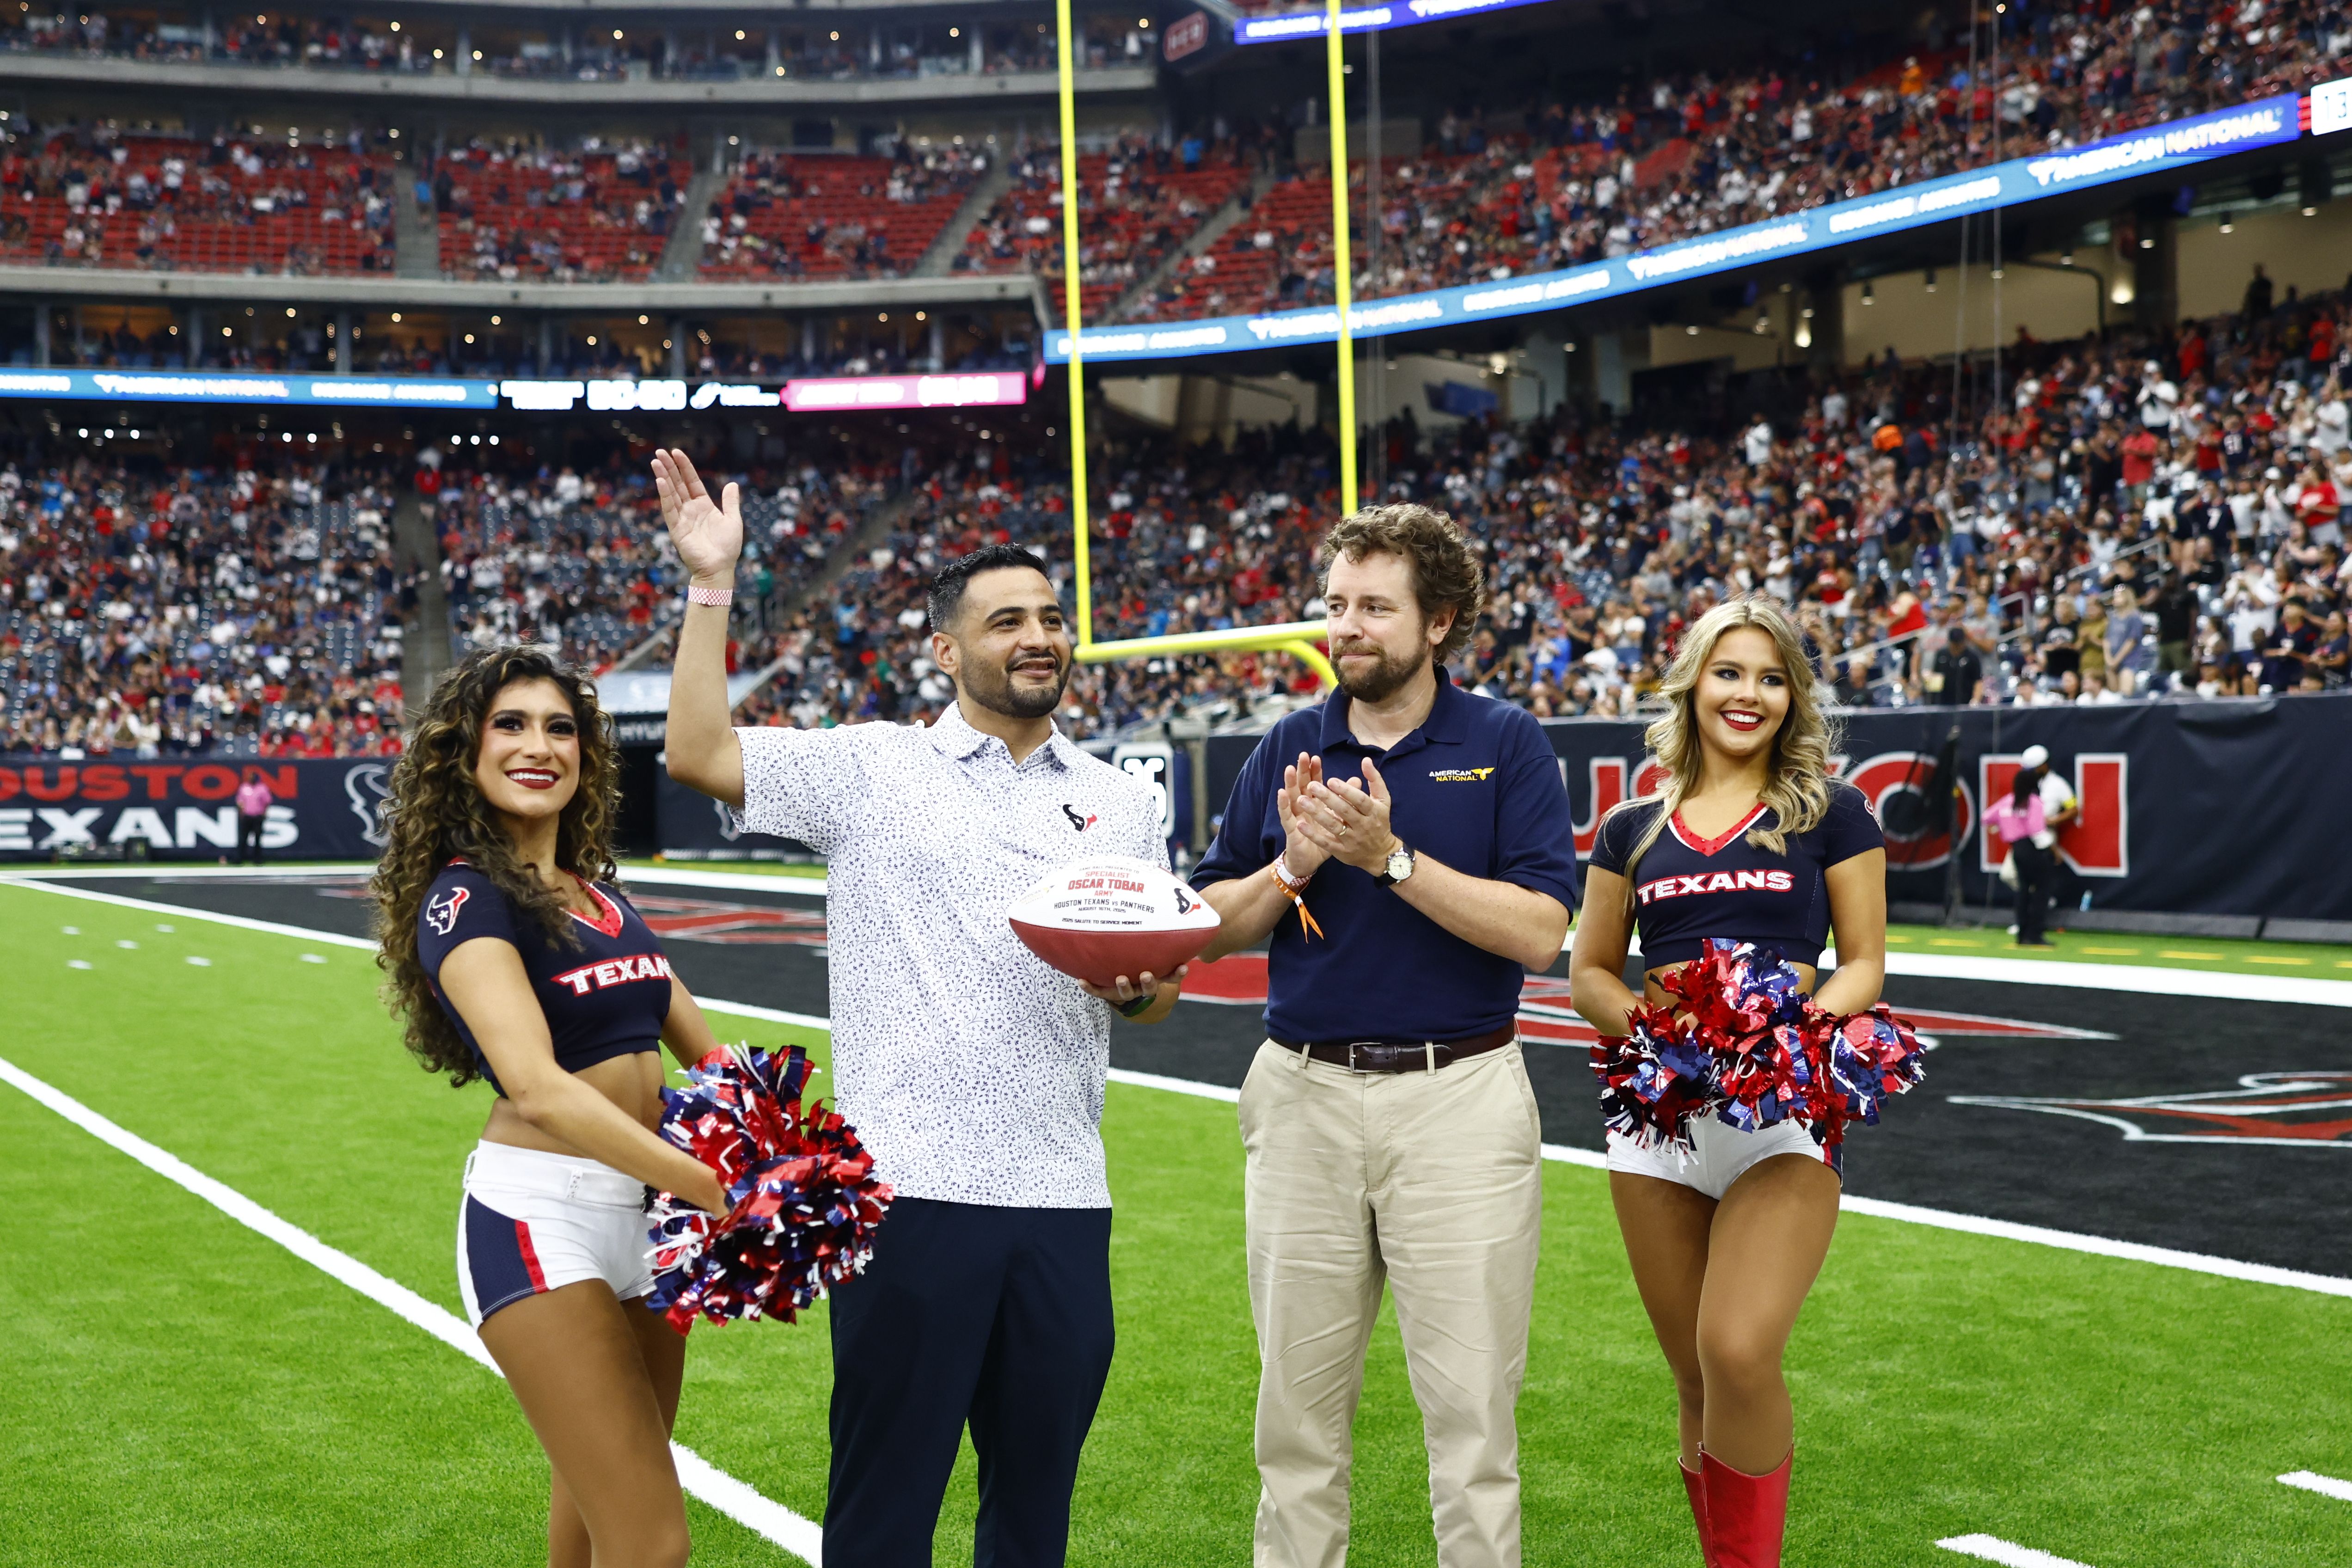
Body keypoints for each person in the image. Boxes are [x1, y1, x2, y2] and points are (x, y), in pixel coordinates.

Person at [653, 448, 1179, 1568]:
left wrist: (1141, 990)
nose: (1037, 636)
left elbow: (1151, 995)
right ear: (946, 651)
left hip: (1063, 1194)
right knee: (884, 1514)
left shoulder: (1123, 799)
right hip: (907, 1197)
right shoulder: (870, 768)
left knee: (1033, 1518)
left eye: (1048, 615)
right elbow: (695, 750)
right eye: (1004, 621)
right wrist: (711, 586)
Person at [1190, 503, 1578, 1568]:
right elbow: (1209, 925)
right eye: (1333, 604)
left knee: (1470, 1428)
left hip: (1457, 1095)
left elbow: (1542, 932)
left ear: (1439, 620)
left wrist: (1389, 857)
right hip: (1302, 1092)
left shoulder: (1503, 742)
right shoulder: (1287, 741)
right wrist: (1293, 865)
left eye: (1372, 606)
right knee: (1295, 1425)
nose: (1343, 627)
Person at [370, 644, 735, 1568]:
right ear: (467, 751)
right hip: (543, 1218)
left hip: (652, 1224)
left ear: (587, 755)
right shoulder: (466, 900)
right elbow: (536, 1086)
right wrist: (712, 1183)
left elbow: (709, 1054)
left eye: (561, 728)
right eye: (512, 724)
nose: (540, 746)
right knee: (652, 1542)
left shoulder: (604, 897)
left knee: (590, 1522)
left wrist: (794, 1158)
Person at [1567, 596, 1888, 1568]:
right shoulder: (1629, 825)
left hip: (1783, 1114)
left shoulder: (1834, 811)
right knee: (1695, 1378)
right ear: (1692, 682)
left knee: (1740, 1351)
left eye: (1771, 677)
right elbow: (1589, 971)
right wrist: (1663, 1037)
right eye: (1729, 671)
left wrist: (1785, 1037)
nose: (1748, 693)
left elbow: (1866, 962)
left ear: (1793, 697)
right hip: (1660, 1123)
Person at [1984, 752, 2057, 947]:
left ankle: (2022, 933)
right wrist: (2054, 852)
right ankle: (2035, 934)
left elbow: (1987, 817)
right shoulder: (2034, 802)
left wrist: (2002, 826)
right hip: (2033, 849)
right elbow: (2037, 831)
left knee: (2023, 890)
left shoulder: (2009, 801)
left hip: (2017, 850)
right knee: (2042, 890)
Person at [233, 770, 273, 864]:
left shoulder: (262, 788)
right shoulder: (244, 788)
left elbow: (267, 802)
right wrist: (241, 811)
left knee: (258, 839)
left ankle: (257, 859)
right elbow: (240, 801)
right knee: (243, 838)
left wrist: (265, 813)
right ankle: (239, 859)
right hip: (247, 816)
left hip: (257, 816)